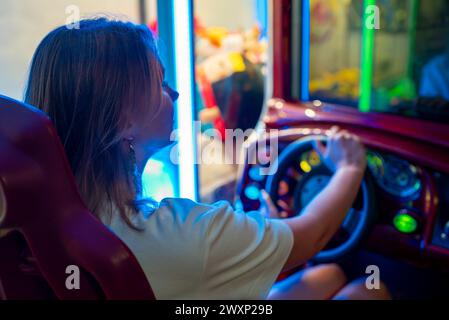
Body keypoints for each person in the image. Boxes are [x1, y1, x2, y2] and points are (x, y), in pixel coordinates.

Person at [24, 18, 390, 300]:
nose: (177, 93)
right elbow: (316, 234)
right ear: (123, 122)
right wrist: (349, 168)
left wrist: (257, 234)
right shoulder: (183, 234)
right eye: (161, 84)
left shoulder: (33, 213)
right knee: (369, 291)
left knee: (326, 276)